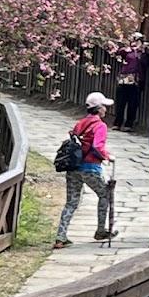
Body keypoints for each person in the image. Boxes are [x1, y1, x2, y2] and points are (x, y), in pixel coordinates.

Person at [54, 92, 116, 248]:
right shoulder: (100, 125)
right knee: (105, 195)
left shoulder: (80, 123)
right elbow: (97, 146)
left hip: (74, 167)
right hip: (91, 167)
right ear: (99, 108)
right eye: (104, 107)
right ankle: (101, 230)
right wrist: (108, 156)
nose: (106, 110)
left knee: (71, 202)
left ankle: (60, 237)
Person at [112, 33, 148, 131]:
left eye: (137, 40)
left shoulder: (143, 53)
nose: (135, 42)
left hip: (136, 80)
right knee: (120, 102)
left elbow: (144, 63)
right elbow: (119, 54)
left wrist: (140, 50)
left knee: (133, 103)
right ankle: (117, 122)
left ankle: (129, 124)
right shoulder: (127, 51)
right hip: (124, 78)